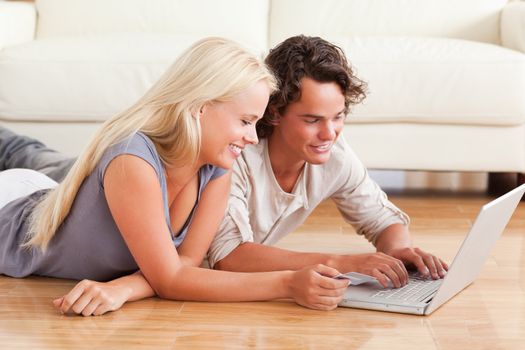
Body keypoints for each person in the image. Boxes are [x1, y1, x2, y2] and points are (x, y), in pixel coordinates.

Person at [1, 36, 448, 317]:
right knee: (33, 157)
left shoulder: (216, 166)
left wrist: (123, 288)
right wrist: (290, 282)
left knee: (39, 161)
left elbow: (185, 267)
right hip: (10, 214)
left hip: (42, 193)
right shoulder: (134, 162)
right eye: (245, 121)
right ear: (200, 108)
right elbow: (174, 279)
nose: (254, 137)